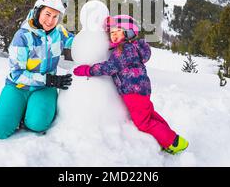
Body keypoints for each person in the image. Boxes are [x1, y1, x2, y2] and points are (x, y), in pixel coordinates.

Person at [73, 15, 189, 154]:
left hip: (132, 91)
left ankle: (173, 142)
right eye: (112, 33)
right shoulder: (132, 47)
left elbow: (109, 67)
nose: (114, 35)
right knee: (150, 115)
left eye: (118, 31)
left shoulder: (123, 50)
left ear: (128, 32)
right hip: (141, 89)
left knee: (143, 122)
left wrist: (88, 70)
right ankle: (170, 138)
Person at [0, 0, 74, 139]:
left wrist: (110, 38)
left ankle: (30, 112)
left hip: (44, 89)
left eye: (55, 16)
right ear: (37, 11)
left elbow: (81, 43)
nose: (50, 21)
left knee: (38, 124)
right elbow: (17, 74)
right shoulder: (22, 36)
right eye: (47, 14)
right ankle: (19, 109)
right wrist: (50, 80)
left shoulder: (59, 33)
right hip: (18, 86)